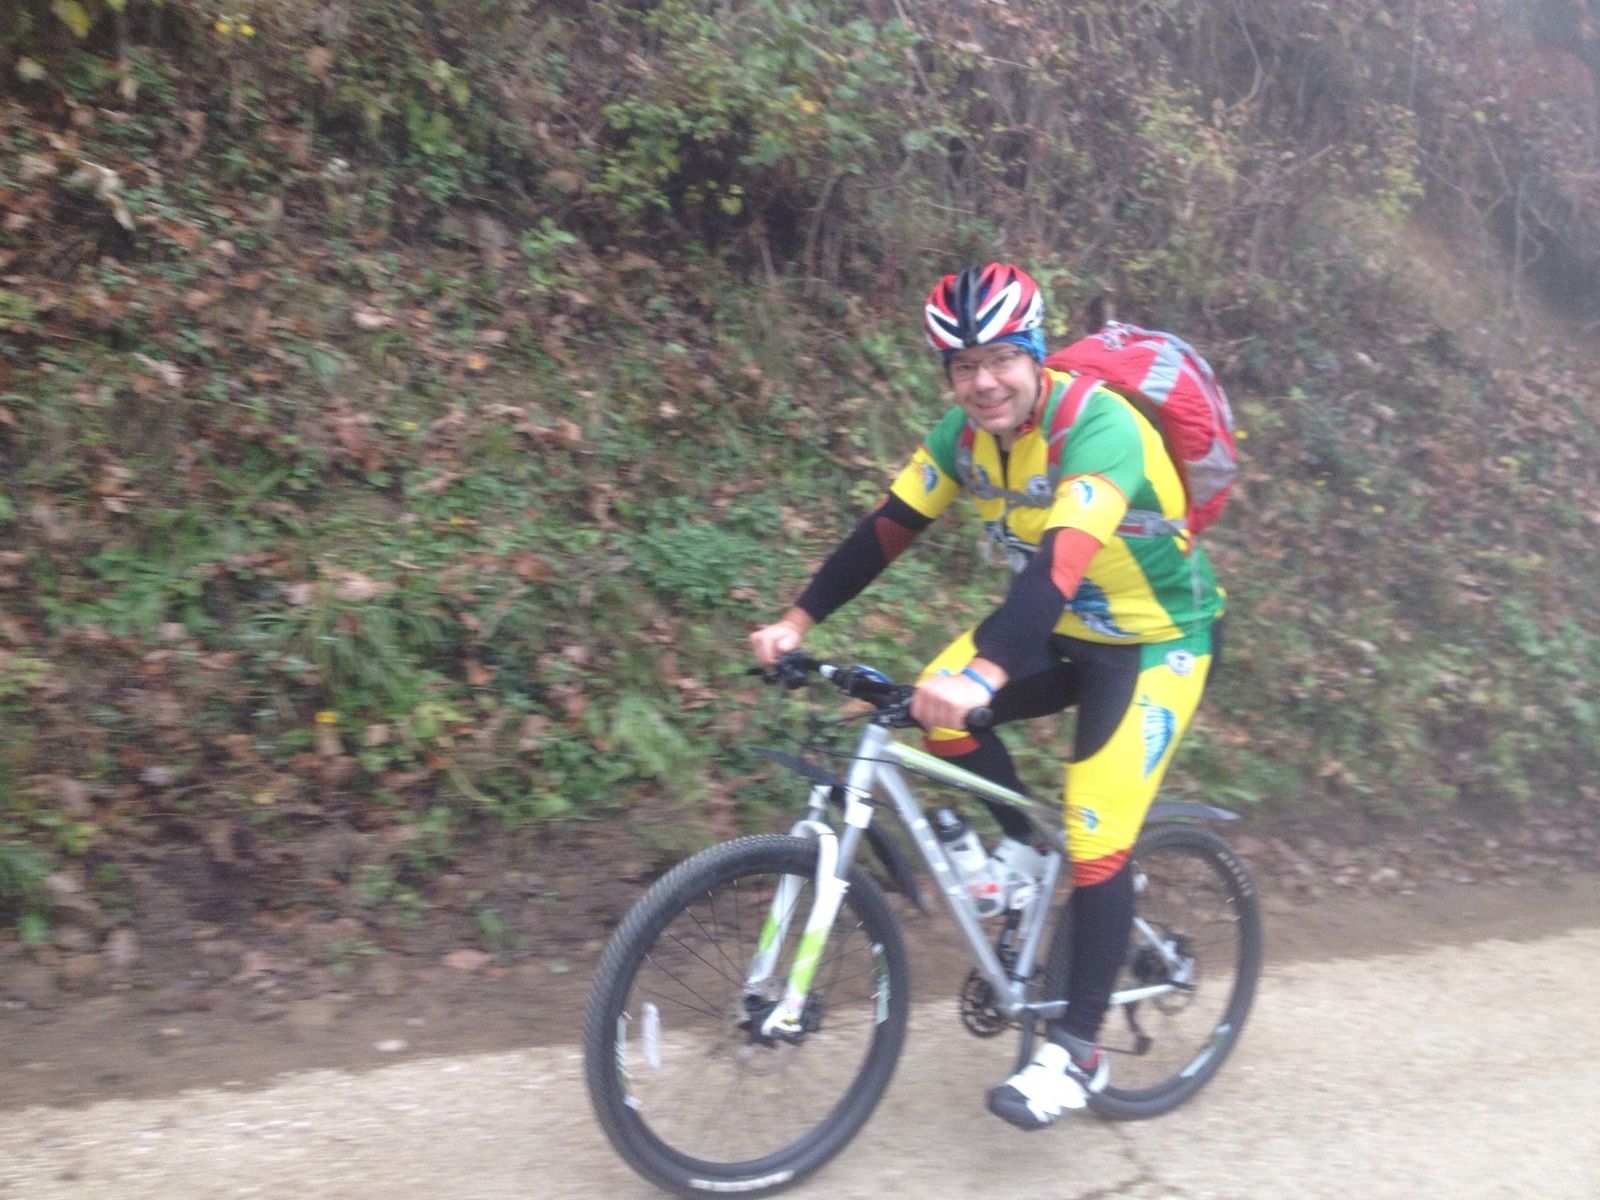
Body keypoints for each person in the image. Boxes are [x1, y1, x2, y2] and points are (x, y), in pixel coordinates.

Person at [749, 262, 1224, 1130]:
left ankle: (1076, 1054)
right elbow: (885, 530)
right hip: (1058, 629)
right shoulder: (963, 438)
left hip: (1158, 642)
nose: (984, 382)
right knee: (925, 710)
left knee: (1095, 829)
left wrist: (985, 675)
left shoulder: (1101, 426)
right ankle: (1022, 854)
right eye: (964, 366)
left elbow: (1057, 569)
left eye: (1001, 358)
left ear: (1036, 355)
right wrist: (796, 621)